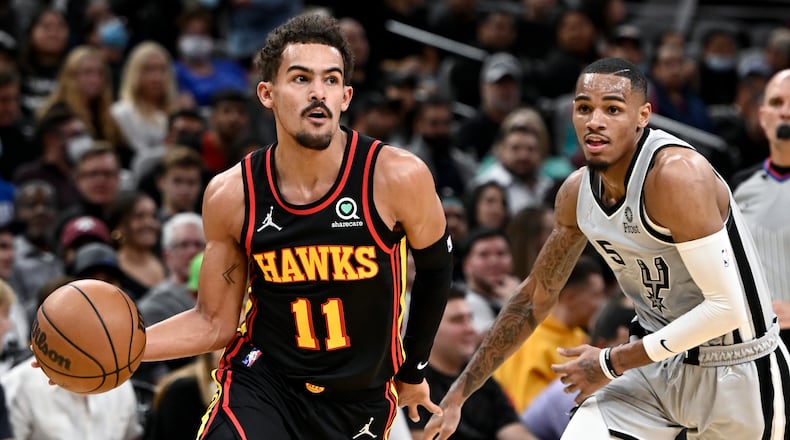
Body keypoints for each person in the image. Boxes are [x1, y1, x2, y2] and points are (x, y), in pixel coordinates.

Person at [424, 57, 789, 440]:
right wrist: (460, 393)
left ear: (643, 115)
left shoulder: (678, 175)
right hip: (652, 366)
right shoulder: (575, 193)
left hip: (736, 368)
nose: (594, 121)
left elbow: (727, 308)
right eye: (584, 108)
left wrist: (611, 361)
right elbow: (534, 297)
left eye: (612, 109)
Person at [140, 14, 452, 439]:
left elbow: (436, 270)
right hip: (265, 383)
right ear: (267, 93)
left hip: (357, 398)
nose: (317, 93)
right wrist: (126, 347)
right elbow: (213, 322)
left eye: (330, 80)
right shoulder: (233, 194)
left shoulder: (396, 176)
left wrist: (413, 369)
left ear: (346, 96)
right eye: (301, 78)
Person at [407, 285, 537, 440]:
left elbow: (511, 428)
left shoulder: (481, 376)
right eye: (457, 321)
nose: (470, 329)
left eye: (470, 319)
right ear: (428, 329)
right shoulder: (410, 384)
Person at [493, 255, 607, 414]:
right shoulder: (527, 341)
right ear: (570, 297)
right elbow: (529, 412)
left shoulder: (579, 335)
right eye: (596, 295)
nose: (602, 303)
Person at [732, 68, 790, 349]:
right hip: (757, 346)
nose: (786, 112)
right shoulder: (737, 188)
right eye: (777, 103)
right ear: (762, 115)